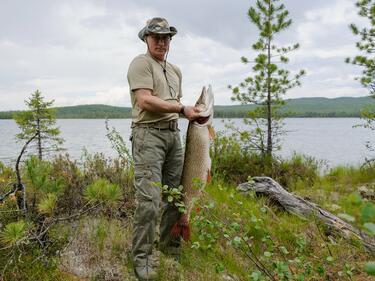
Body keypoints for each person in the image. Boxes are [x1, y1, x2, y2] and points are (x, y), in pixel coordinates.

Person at [127, 17, 201, 280]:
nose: (161, 41)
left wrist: (192, 113)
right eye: (155, 37)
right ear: (146, 38)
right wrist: (182, 109)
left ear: (170, 40)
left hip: (173, 137)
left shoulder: (175, 71)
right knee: (148, 202)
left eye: (166, 37)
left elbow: (172, 105)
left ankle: (170, 249)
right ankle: (142, 261)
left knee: (175, 196)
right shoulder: (140, 64)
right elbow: (145, 101)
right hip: (148, 137)